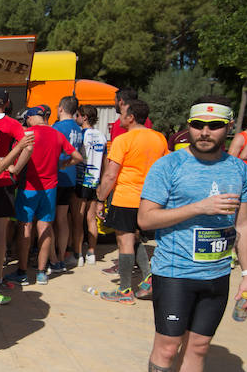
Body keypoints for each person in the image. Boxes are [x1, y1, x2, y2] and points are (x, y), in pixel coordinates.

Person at [137, 97, 247, 372]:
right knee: (168, 349)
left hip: (217, 273)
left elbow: (244, 223)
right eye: (198, 125)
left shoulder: (238, 169)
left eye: (214, 126)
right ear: (188, 126)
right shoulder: (168, 165)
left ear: (228, 128)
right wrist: (199, 208)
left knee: (199, 347)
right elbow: (146, 220)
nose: (205, 132)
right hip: (174, 273)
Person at [96, 100, 168, 303]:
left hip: (126, 197)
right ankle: (149, 278)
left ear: (131, 117)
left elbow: (110, 175)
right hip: (149, 199)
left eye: (122, 114)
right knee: (135, 239)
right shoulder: (159, 138)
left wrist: (100, 198)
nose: (119, 118)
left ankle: (125, 290)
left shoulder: (123, 140)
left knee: (124, 242)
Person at [5, 106, 82, 285]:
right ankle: (41, 273)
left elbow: (23, 153)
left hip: (29, 187)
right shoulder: (57, 134)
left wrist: (14, 170)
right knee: (44, 228)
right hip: (50, 188)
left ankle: (22, 272)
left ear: (31, 118)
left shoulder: (28, 134)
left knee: (25, 227)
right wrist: (63, 164)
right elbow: (77, 157)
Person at [0, 88, 33, 288]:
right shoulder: (12, 123)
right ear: (7, 102)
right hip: (3, 182)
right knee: (0, 233)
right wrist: (16, 170)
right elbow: (28, 146)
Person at [52, 96, 84, 270]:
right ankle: (62, 254)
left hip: (57, 177)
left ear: (61, 108)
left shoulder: (58, 127)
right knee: (63, 219)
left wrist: (62, 164)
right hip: (70, 177)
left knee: (50, 220)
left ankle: (54, 257)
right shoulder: (78, 128)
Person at [75, 105, 106, 265]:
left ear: (84, 117)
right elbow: (105, 162)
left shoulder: (81, 135)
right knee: (91, 219)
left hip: (80, 181)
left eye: (78, 115)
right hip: (95, 181)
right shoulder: (102, 136)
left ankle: (78, 254)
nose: (76, 118)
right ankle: (92, 253)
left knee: (78, 219)